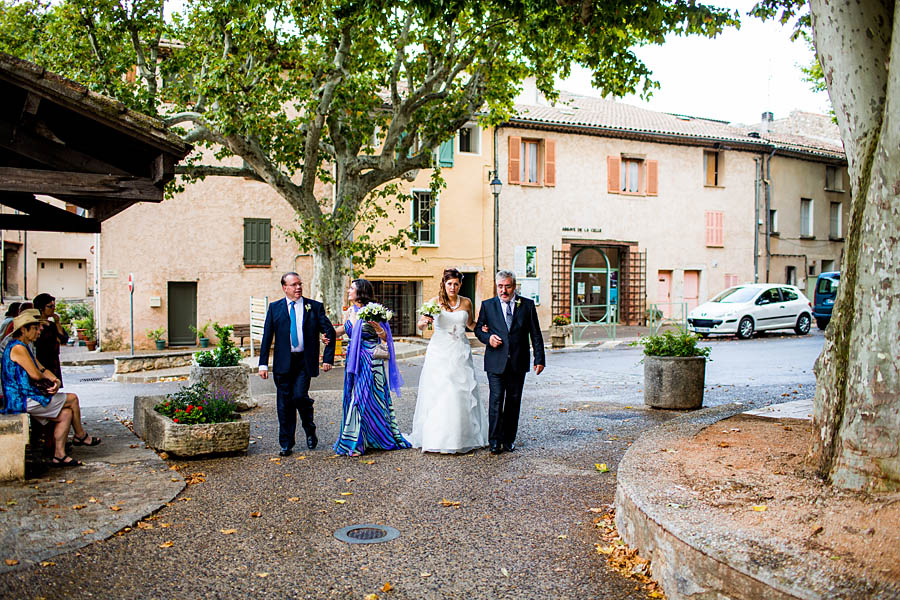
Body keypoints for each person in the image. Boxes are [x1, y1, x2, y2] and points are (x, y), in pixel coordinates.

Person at [1, 311, 100, 467]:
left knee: (66, 414)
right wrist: (49, 380)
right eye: (35, 328)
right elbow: (35, 374)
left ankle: (59, 455)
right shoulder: (17, 348)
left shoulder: (24, 347)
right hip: (21, 399)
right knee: (72, 398)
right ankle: (80, 435)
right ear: (24, 330)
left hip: (27, 397)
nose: (39, 330)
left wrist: (55, 380)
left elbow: (41, 369)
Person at [409, 268, 487, 453]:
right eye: (449, 283)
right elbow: (420, 324)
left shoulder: (467, 302)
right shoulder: (434, 303)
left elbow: (470, 324)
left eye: (456, 284)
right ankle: (438, 438)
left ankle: (462, 437)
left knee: (462, 391)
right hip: (440, 352)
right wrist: (424, 322)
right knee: (442, 391)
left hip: (460, 351)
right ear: (444, 284)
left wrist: (485, 328)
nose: (453, 287)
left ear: (460, 285)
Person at [258, 272, 336, 456]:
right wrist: (263, 364)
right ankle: (286, 444)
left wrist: (327, 358)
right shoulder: (275, 308)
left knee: (300, 397)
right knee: (284, 403)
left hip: (304, 361)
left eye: (300, 284)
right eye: (293, 285)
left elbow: (329, 331)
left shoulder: (314, 307)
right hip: (283, 363)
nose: (298, 287)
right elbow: (267, 337)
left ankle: (309, 428)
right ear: (285, 288)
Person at [333, 278, 410, 456]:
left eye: (351, 288)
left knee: (361, 399)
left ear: (360, 292)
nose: (348, 291)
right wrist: (325, 333)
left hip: (370, 361)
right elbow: (342, 331)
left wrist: (377, 328)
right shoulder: (349, 311)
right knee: (359, 399)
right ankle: (369, 438)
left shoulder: (373, 311)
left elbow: (385, 337)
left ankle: (355, 443)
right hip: (353, 360)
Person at [474, 270, 545, 454]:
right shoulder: (488, 306)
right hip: (495, 362)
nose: (503, 290)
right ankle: (495, 441)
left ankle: (509, 440)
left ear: (514, 286)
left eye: (507, 286)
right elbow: (478, 330)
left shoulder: (527, 305)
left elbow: (535, 334)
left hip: (518, 361)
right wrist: (488, 338)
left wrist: (540, 358)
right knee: (496, 400)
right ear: (496, 286)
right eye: (500, 286)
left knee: (513, 402)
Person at [33, 293, 68, 386]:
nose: (53, 308)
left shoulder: (52, 325)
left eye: (54, 306)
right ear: (41, 308)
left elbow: (63, 339)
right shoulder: (35, 326)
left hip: (53, 361)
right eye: (50, 306)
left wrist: (57, 322)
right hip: (42, 360)